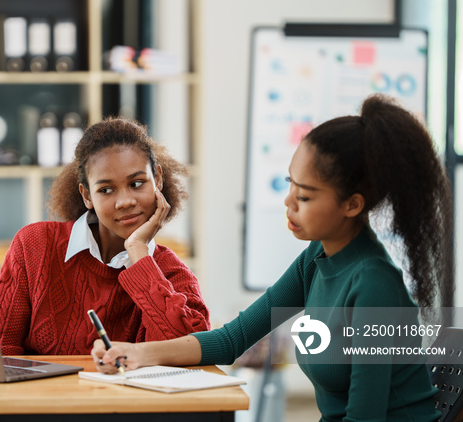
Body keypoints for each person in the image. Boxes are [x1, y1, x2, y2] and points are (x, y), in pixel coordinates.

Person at [92, 94, 452, 421]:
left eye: (306, 196)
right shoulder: (317, 257)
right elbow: (233, 339)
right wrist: (139, 353)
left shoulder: (373, 283)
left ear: (352, 204)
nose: (288, 202)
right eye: (289, 184)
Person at [0, 117, 210, 355]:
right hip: (40, 393)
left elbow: (187, 357)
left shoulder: (173, 274)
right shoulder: (34, 245)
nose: (125, 201)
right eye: (106, 190)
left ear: (157, 180)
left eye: (137, 183)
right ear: (86, 196)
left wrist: (138, 252)